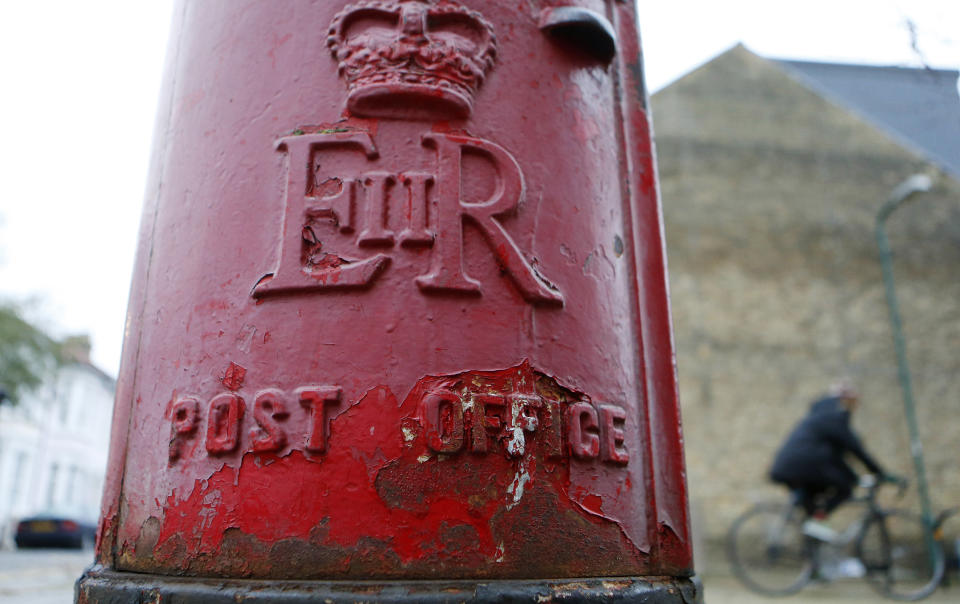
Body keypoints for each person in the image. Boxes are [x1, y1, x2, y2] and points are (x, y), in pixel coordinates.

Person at [769, 381, 886, 518]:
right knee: (845, 487)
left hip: (790, 468)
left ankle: (812, 529)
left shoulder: (819, 416)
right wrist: (878, 471)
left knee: (817, 498)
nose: (854, 407)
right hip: (802, 468)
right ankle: (817, 520)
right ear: (845, 400)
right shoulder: (833, 417)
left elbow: (835, 455)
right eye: (853, 402)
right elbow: (854, 448)